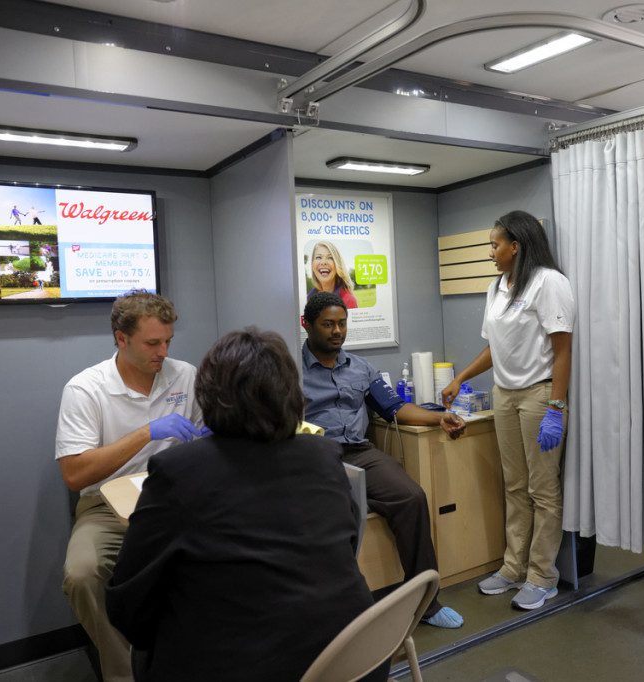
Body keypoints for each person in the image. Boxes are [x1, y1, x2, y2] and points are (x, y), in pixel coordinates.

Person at [106, 328, 385, 682]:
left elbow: (127, 606)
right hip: (353, 659)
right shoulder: (324, 455)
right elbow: (346, 545)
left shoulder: (179, 471)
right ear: (291, 392)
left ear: (209, 395)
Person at [55, 291, 206, 682]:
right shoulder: (86, 389)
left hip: (174, 498)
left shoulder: (186, 376)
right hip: (106, 505)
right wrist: (145, 433)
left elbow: (205, 438)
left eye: (168, 341)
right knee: (82, 573)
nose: (163, 352)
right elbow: (74, 473)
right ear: (121, 339)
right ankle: (126, 674)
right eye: (152, 343)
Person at [301, 291, 465, 628]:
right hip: (316, 459)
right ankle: (339, 612)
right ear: (308, 325)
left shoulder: (360, 368)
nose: (337, 331)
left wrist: (439, 418)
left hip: (360, 453)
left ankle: (425, 602)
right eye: (328, 324)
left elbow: (394, 408)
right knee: (334, 514)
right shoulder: (290, 370)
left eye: (342, 324)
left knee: (411, 497)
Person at [440, 210, 574, 611]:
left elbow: (563, 350)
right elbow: (494, 348)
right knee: (515, 486)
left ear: (515, 246)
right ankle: (514, 567)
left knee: (543, 490)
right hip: (505, 394)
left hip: (538, 395)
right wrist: (461, 377)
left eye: (494, 245)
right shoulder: (496, 287)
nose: (490, 252)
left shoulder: (549, 283)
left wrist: (556, 407)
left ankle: (542, 576)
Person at [307, 241, 358, 308]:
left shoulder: (348, 300)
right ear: (312, 264)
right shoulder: (307, 299)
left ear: (337, 264)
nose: (323, 262)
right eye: (318, 257)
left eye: (330, 258)